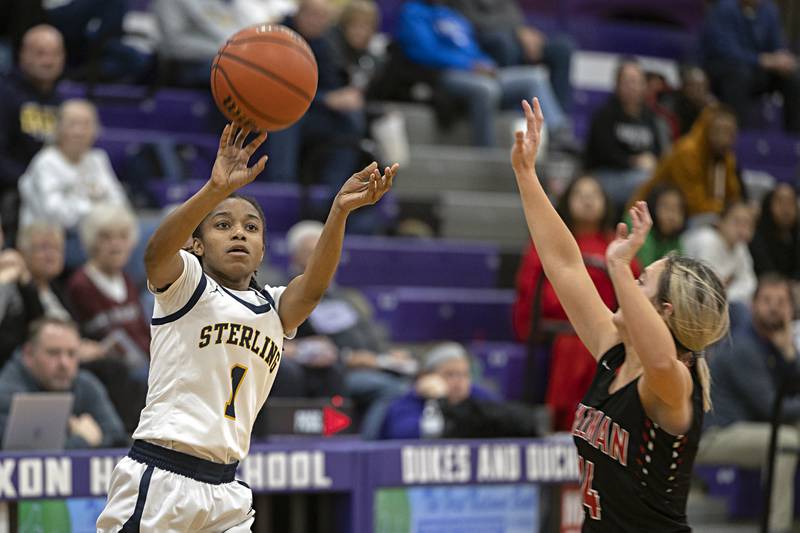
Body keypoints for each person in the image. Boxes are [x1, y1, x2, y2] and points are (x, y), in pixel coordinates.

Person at [96, 124, 398, 531]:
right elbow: (156, 255)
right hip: (162, 476)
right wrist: (214, 191)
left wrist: (339, 211)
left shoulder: (272, 306)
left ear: (261, 251)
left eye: (251, 227)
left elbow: (312, 289)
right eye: (223, 225)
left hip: (227, 487)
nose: (239, 231)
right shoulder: (188, 284)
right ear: (196, 245)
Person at [512, 97, 729, 529]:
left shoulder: (672, 381)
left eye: (640, 281)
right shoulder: (616, 353)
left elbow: (662, 357)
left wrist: (616, 266)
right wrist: (526, 174)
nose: (627, 287)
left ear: (663, 312)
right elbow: (565, 265)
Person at [512, 175, 625, 431]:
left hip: (608, 328)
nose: (587, 200)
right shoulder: (550, 239)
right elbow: (531, 289)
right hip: (563, 327)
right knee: (577, 345)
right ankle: (567, 423)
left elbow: (630, 292)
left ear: (605, 203)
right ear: (567, 201)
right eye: (580, 194)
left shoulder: (614, 245)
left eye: (593, 194)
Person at [696, 275, 800, 533]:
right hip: (715, 435)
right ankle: (777, 527)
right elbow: (772, 409)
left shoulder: (773, 343)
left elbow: (792, 386)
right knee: (786, 441)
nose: (774, 307)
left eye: (782, 302)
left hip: (745, 427)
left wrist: (787, 353)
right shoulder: (743, 346)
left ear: (792, 309)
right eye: (767, 300)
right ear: (753, 304)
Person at [395, 0, 567, 147]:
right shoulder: (412, 12)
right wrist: (470, 65)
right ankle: (486, 154)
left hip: (475, 73)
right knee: (486, 89)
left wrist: (487, 65)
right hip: (442, 75)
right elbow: (424, 52)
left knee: (533, 78)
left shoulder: (451, 15)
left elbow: (472, 49)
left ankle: (558, 134)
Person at [265, 0, 368, 190]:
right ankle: (282, 187)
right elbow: (276, 89)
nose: (317, 21)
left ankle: (334, 190)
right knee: (287, 119)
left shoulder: (324, 43)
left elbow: (332, 83)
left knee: (350, 121)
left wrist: (344, 96)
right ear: (298, 13)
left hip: (312, 110)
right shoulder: (277, 37)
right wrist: (326, 99)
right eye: (313, 15)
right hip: (273, 111)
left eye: (323, 17)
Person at [18, 99, 129, 265]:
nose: (79, 132)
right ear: (58, 129)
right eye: (73, 124)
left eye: (86, 125)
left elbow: (119, 203)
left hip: (95, 235)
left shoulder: (97, 159)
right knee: (116, 248)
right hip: (54, 241)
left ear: (96, 130)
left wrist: (87, 209)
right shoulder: (46, 162)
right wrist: (97, 210)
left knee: (144, 231)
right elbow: (56, 215)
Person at [0, 317, 127, 448]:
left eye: (71, 354)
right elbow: (25, 456)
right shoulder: (7, 393)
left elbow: (118, 439)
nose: (64, 363)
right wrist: (82, 440)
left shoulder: (86, 384)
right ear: (28, 354)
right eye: (53, 353)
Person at [443, 0, 574, 113]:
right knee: (504, 43)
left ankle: (557, 119)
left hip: (513, 36)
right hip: (483, 40)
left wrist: (524, 32)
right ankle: (508, 109)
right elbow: (469, 20)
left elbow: (514, 15)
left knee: (561, 49)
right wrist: (515, 31)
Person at [0, 24, 64, 243]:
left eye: (54, 54)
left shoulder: (62, 101)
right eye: (40, 53)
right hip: (14, 190)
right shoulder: (5, 93)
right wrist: (29, 183)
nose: (48, 61)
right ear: (22, 55)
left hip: (54, 191)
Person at [66, 205, 149, 366]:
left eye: (123, 237)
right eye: (106, 237)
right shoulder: (80, 285)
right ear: (91, 241)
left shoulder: (127, 280)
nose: (116, 245)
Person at [701, 0, 800, 133]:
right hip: (726, 69)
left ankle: (794, 137)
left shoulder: (769, 10)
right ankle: (736, 134)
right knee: (740, 75)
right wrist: (761, 60)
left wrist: (782, 59)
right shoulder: (724, 8)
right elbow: (725, 50)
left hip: (757, 71)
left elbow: (777, 45)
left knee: (793, 76)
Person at [630, 106, 741, 222]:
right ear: (707, 129)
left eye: (730, 133)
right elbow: (695, 206)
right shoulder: (688, 152)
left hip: (685, 217)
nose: (724, 138)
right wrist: (725, 210)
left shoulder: (725, 156)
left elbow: (733, 197)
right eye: (719, 131)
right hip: (648, 214)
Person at [584, 59, 665, 208]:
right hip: (605, 176)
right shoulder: (604, 114)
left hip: (642, 175)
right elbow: (603, 154)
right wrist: (634, 161)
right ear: (617, 85)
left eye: (637, 82)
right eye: (628, 81)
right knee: (646, 183)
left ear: (644, 86)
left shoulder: (651, 118)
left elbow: (659, 152)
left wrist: (653, 161)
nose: (632, 87)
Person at [377, 342, 494, 439]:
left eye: (465, 374)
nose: (459, 381)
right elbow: (406, 433)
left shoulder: (477, 394)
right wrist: (438, 400)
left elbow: (506, 420)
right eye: (450, 374)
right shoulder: (407, 402)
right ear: (426, 377)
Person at [152, 0, 250, 87]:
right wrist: (224, 50)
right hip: (188, 64)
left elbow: (234, 31)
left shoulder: (218, 4)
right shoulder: (170, 2)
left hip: (226, 58)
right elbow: (173, 43)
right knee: (242, 74)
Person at [682, 201, 757, 306]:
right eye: (737, 222)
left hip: (721, 301)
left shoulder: (740, 247)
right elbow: (705, 285)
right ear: (721, 221)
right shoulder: (706, 240)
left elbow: (749, 283)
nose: (742, 229)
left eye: (747, 223)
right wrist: (727, 284)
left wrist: (727, 292)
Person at [750, 183, 800, 282]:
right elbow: (766, 272)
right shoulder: (755, 236)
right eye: (780, 202)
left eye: (791, 203)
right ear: (769, 204)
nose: (786, 209)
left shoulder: (796, 235)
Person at [633, 185, 687, 268]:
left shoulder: (674, 236)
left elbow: (680, 269)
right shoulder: (639, 223)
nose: (672, 215)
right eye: (666, 207)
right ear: (652, 206)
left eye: (677, 208)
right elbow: (645, 268)